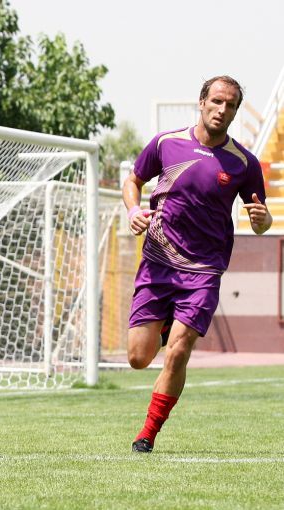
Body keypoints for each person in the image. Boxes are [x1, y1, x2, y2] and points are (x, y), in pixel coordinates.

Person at [122, 75, 272, 453]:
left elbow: (262, 220)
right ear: (202, 102)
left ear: (235, 112)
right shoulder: (165, 143)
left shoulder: (244, 163)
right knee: (138, 358)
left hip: (204, 270)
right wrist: (133, 210)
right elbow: (133, 181)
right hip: (158, 262)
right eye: (217, 101)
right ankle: (165, 324)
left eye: (231, 105)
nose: (222, 109)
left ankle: (147, 435)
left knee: (179, 351)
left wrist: (262, 220)